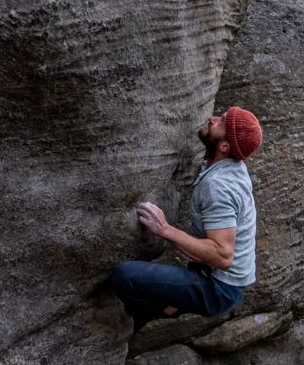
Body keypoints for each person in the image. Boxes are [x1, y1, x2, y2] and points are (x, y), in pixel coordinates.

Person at [109, 106, 262, 332]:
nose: (212, 119)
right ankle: (170, 304)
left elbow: (223, 256)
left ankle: (145, 316)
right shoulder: (225, 166)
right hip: (213, 275)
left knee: (125, 276)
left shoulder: (218, 185)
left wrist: (164, 229)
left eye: (221, 123)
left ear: (224, 146)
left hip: (217, 288)